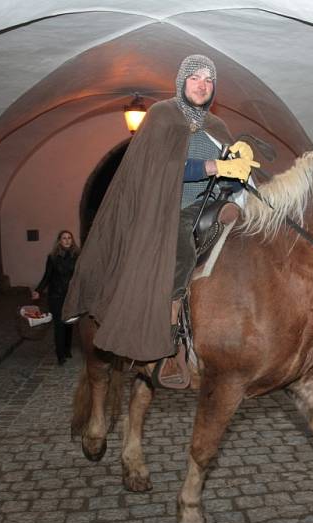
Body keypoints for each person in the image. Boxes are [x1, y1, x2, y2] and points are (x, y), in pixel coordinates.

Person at [62, 54, 259, 368]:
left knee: (245, 229)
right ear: (182, 82)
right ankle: (169, 332)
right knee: (181, 253)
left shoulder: (216, 125)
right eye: (195, 77)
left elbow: (235, 170)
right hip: (169, 208)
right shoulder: (162, 114)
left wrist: (240, 164)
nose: (202, 85)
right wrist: (214, 165)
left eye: (209, 80)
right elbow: (159, 167)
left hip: (208, 204)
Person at [32, 230, 80, 365]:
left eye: (69, 238)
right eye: (64, 238)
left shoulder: (77, 256)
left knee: (69, 324)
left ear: (72, 240)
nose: (67, 240)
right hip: (56, 296)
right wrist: (38, 290)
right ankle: (60, 355)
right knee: (59, 325)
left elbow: (79, 276)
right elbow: (47, 276)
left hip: (70, 296)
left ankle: (67, 349)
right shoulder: (52, 257)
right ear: (59, 240)